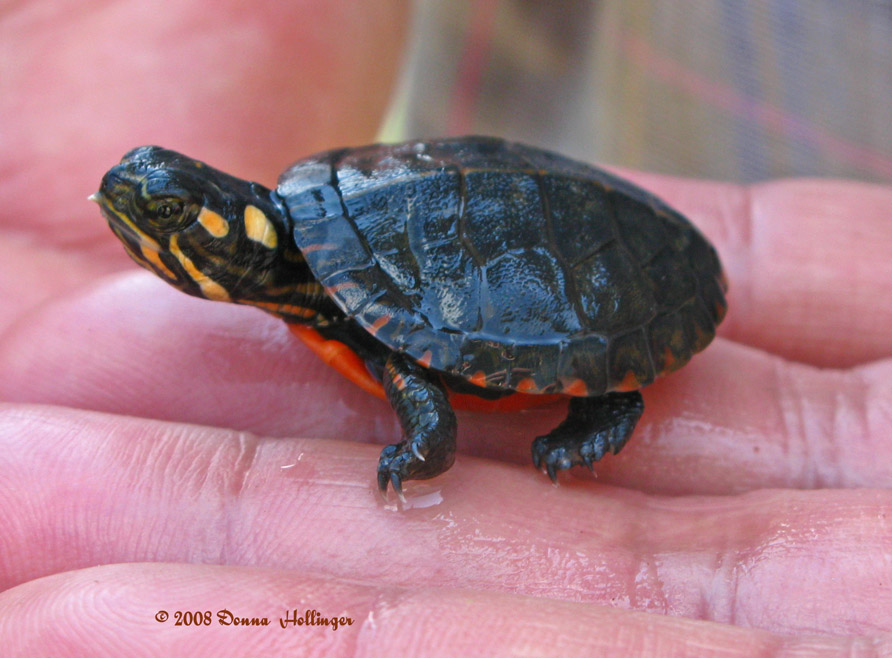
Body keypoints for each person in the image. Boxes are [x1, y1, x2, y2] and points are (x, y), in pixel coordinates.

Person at [1, 1, 891, 653]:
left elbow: (427, 402)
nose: (139, 210)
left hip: (607, 243)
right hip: (509, 167)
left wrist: (418, 448)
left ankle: (608, 396)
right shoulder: (316, 266)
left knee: (523, 364)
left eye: (166, 212)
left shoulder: (338, 284)